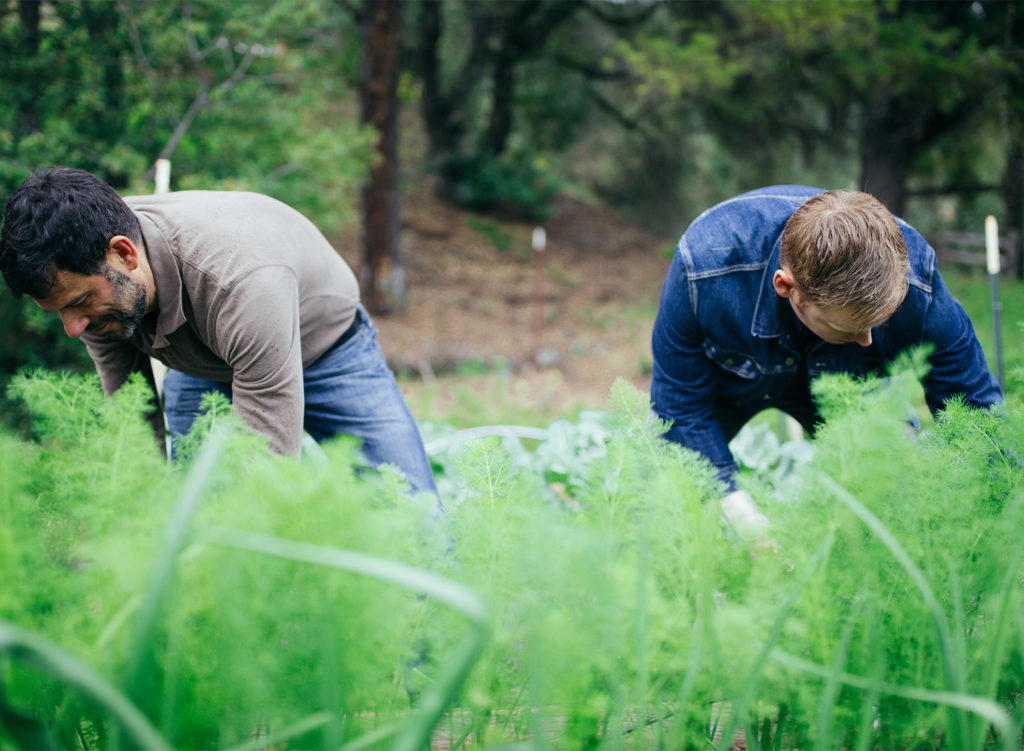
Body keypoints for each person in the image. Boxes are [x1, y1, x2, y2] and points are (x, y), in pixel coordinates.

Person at [0, 166, 437, 496]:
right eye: (60, 311)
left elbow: (267, 465)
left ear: (124, 253)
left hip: (327, 350)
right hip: (205, 365)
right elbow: (132, 419)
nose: (73, 329)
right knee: (198, 508)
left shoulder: (241, 282)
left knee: (410, 514)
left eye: (77, 305)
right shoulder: (90, 280)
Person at [650, 185, 1002, 541]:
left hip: (851, 383)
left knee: (893, 504)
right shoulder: (705, 266)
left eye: (875, 325)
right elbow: (680, 406)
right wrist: (748, 524)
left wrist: (1001, 527)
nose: (867, 340)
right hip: (729, 381)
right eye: (848, 328)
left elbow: (977, 413)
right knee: (667, 497)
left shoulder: (916, 282)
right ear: (787, 287)